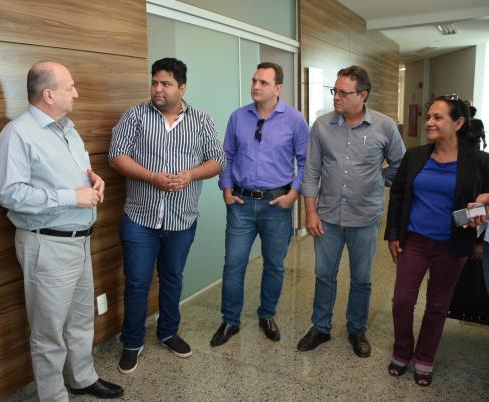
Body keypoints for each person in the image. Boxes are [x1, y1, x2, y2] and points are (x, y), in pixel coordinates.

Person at [0, 61, 123, 401]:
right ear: (48, 94)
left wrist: (93, 180)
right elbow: (11, 194)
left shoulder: (68, 130)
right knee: (48, 332)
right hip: (47, 245)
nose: (76, 93)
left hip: (80, 241)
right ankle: (53, 396)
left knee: (80, 319)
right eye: (70, 87)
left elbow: (75, 175)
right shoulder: (17, 134)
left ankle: (82, 378)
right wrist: (71, 196)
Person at [109, 57, 225, 374]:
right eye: (155, 82)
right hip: (140, 219)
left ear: (182, 88)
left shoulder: (201, 120)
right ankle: (132, 342)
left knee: (172, 278)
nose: (158, 89)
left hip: (181, 219)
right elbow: (116, 157)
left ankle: (168, 332)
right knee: (137, 282)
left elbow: (218, 160)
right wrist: (151, 177)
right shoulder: (135, 115)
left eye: (166, 84)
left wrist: (190, 175)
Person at [298, 65, 405, 357]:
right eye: (335, 91)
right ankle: (320, 327)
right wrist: (310, 213)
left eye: (344, 93)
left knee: (362, 278)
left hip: (365, 217)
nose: (337, 97)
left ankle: (356, 329)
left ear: (363, 95)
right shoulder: (321, 126)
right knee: (324, 274)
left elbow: (401, 165)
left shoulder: (384, 126)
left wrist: (378, 180)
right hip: (328, 216)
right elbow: (311, 172)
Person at [384, 95, 489, 386]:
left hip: (451, 246)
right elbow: (398, 196)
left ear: (458, 123)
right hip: (414, 242)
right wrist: (393, 234)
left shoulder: (478, 161)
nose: (429, 122)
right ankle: (402, 350)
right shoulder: (415, 156)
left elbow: (483, 201)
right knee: (402, 301)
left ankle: (425, 357)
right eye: (428, 116)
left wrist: (484, 203)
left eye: (437, 117)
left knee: (437, 305)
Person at [210, 62, 309, 347]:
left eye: (263, 82)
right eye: (254, 80)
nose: (255, 86)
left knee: (274, 265)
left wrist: (293, 194)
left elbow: (306, 162)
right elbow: (226, 155)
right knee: (233, 265)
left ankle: (267, 315)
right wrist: (226, 189)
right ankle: (230, 320)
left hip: (277, 205)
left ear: (278, 88)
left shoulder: (294, 120)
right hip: (240, 204)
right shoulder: (238, 117)